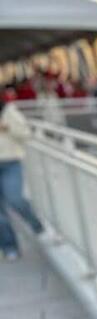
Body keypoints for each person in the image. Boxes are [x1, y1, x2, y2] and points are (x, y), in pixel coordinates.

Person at [0, 92, 44, 260]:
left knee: (15, 198)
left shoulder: (9, 111)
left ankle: (35, 223)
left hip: (10, 162)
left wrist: (7, 127)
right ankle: (9, 246)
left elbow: (26, 133)